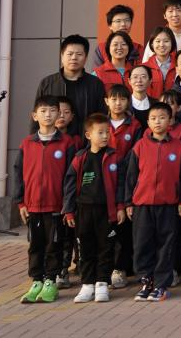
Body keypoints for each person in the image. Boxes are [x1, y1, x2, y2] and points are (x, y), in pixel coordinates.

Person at [121, 100, 181, 302]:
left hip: (168, 204)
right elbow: (131, 177)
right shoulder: (139, 146)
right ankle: (146, 281)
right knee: (143, 243)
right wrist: (128, 203)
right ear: (148, 122)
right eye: (153, 118)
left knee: (166, 244)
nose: (158, 122)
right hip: (142, 204)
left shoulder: (178, 147)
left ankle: (161, 285)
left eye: (162, 118)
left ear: (170, 121)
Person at [14, 96, 74, 304]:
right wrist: (21, 202)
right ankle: (37, 281)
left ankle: (51, 281)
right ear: (34, 115)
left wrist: (68, 205)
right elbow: (18, 173)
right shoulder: (27, 143)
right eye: (43, 111)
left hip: (56, 205)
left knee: (53, 244)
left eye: (52, 111)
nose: (48, 115)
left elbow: (70, 177)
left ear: (59, 114)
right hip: (32, 205)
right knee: (35, 245)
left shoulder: (66, 143)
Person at [63, 113, 124, 303]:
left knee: (106, 247)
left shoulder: (114, 157)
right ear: (88, 135)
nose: (105, 136)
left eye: (107, 132)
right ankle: (87, 284)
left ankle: (102, 283)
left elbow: (121, 185)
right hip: (84, 210)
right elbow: (70, 185)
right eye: (100, 132)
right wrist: (69, 210)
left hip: (107, 211)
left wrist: (120, 206)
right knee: (86, 248)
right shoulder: (80, 158)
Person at [35, 35, 106, 136]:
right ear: (62, 56)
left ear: (86, 58)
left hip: (86, 141)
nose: (74, 58)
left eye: (79, 54)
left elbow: (101, 117)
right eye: (70, 54)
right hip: (53, 141)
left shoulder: (95, 84)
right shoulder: (47, 83)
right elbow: (38, 116)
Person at [89, 4, 136, 73]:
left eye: (127, 20)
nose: (123, 24)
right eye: (118, 21)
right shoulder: (101, 48)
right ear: (110, 25)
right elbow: (97, 74)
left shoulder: (138, 48)